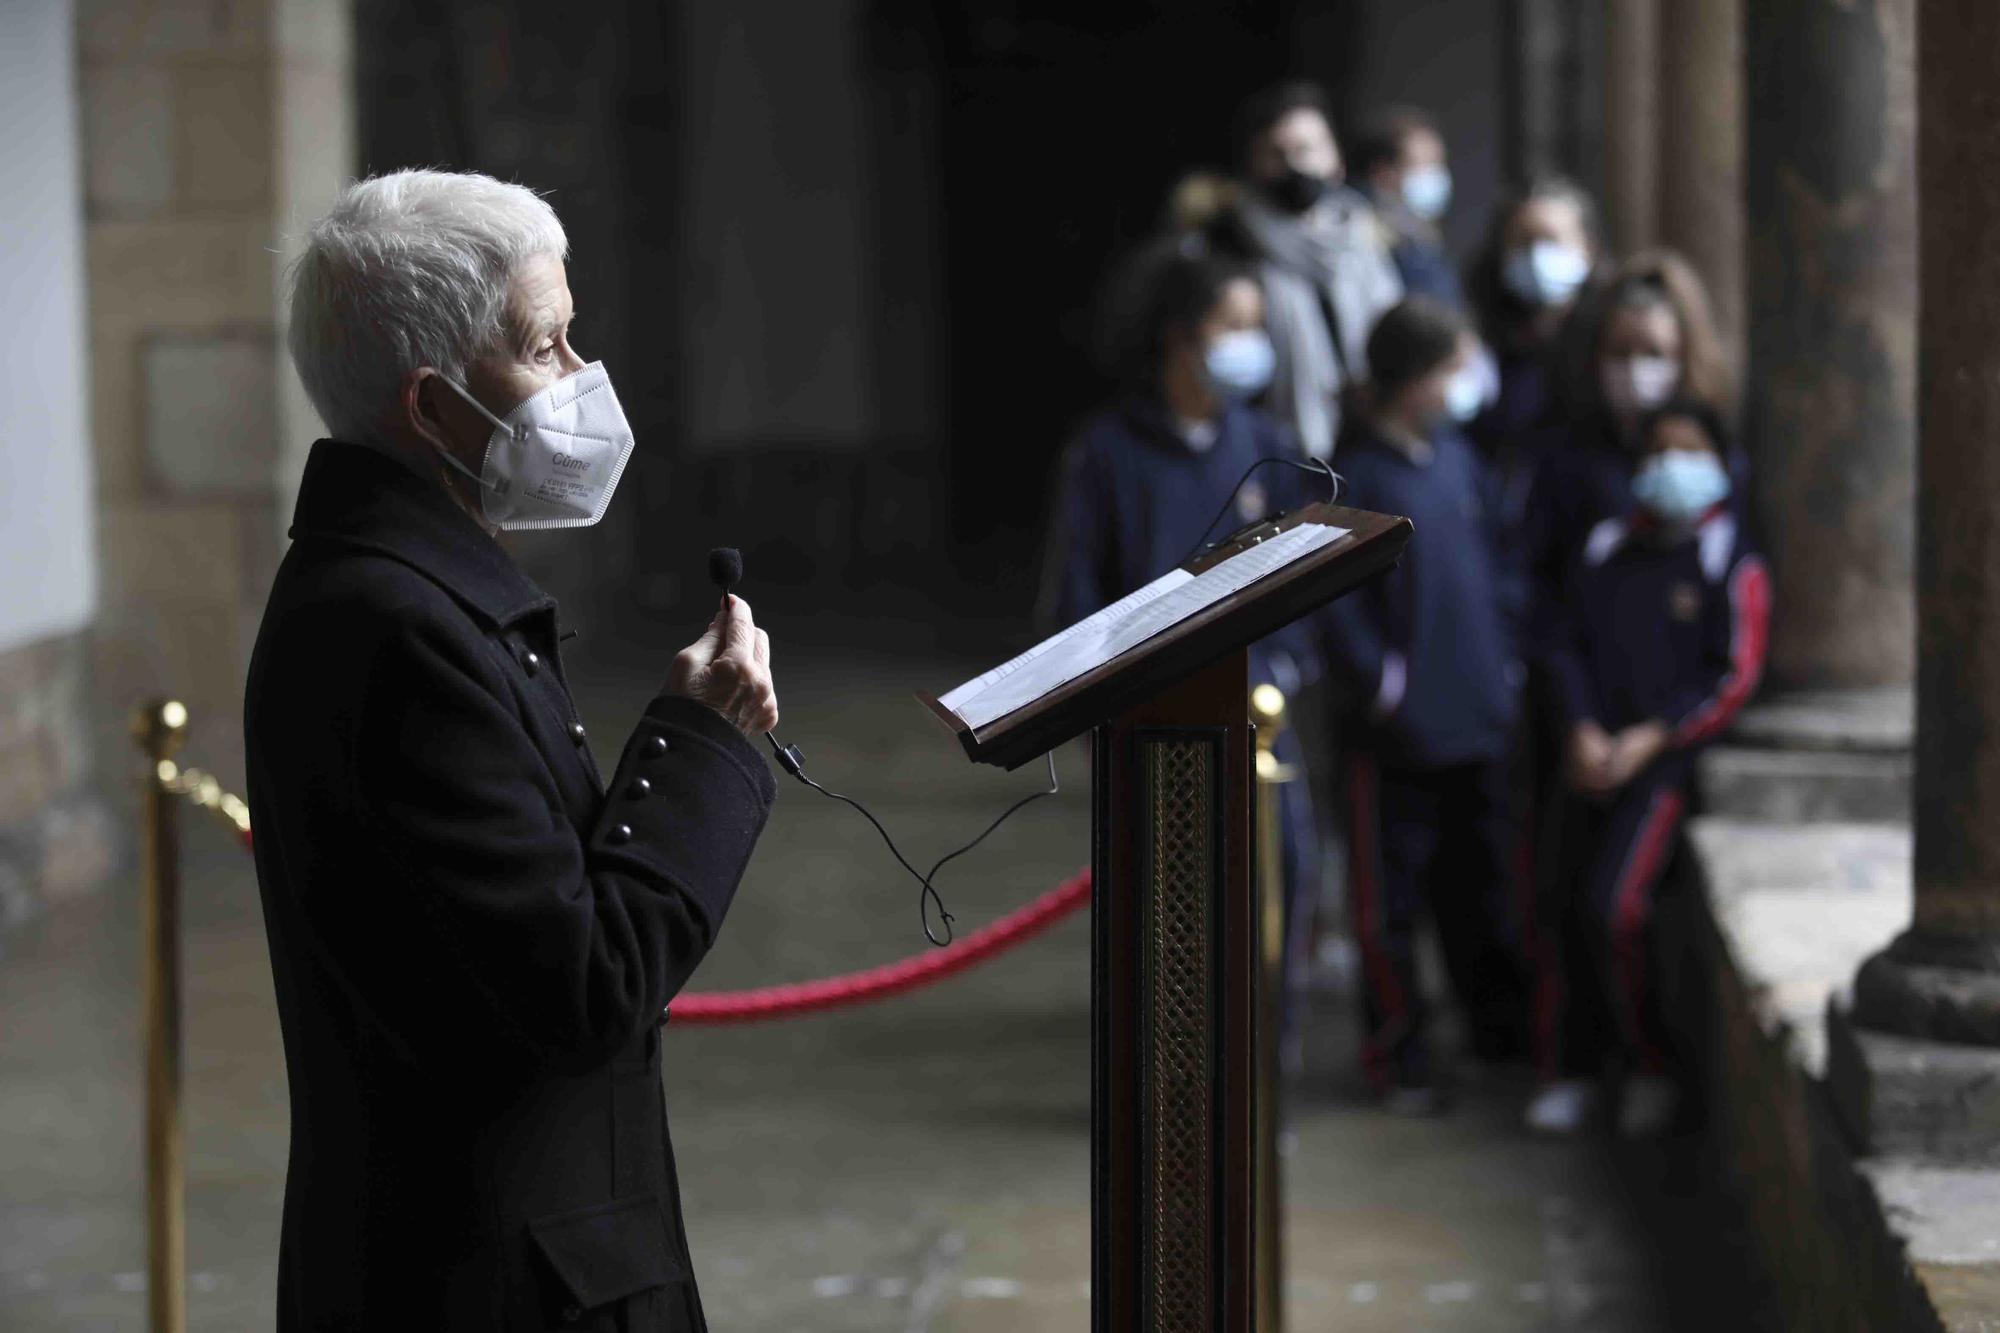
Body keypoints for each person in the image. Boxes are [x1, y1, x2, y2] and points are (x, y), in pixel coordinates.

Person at [245, 169, 781, 1331]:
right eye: (545, 346)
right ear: (432, 408)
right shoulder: (392, 627)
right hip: (492, 1284)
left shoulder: (405, 590)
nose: (583, 377)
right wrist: (702, 739)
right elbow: (583, 985)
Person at [1045, 242, 1324, 1045]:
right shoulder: (1104, 452)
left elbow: (1304, 580)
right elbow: (1075, 594)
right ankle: (1168, 1074)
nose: (1248, 343)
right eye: (1230, 324)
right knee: (1164, 901)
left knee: (1282, 870)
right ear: (1178, 335)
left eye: (1255, 326)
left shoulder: (1267, 443)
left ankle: (1265, 1067)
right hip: (1146, 713)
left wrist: (1286, 665)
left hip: (1256, 708)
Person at [1526, 399, 1770, 1137]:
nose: (1670, 465)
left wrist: (1651, 738)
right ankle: (1571, 1068)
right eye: (1657, 449)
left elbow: (1731, 676)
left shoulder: (1730, 558)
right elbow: (1562, 641)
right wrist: (1581, 728)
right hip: (1587, 754)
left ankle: (1647, 1063)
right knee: (1559, 904)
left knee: (1618, 908)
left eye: (1688, 449)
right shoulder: (1607, 545)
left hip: (1659, 770)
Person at [1318, 297, 1529, 1111]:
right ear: (1413, 382)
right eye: (1454, 368)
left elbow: (1497, 569)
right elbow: (1337, 608)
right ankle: (1398, 1053)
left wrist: (1502, 665)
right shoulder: (1357, 479)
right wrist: (1383, 686)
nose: (1468, 384)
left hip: (1476, 719)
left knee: (1480, 891)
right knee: (1390, 903)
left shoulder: (1458, 460)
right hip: (1396, 737)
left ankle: (1493, 1036)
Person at [1523, 249, 1736, 640]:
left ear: (1683, 355)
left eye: (1654, 353)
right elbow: (1540, 582)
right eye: (1621, 353)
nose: (1636, 370)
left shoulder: (1713, 454)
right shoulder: (1568, 456)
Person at [1214, 80, 1404, 460]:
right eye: (1276, 154)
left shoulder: (1370, 238)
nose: (1295, 166)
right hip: (1274, 455)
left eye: (1306, 149)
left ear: (1336, 157)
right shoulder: (1229, 248)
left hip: (1370, 444)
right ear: (1253, 165)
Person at [1350, 105, 1464, 310]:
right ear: (1382, 173)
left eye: (1438, 163)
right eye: (1421, 164)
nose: (1434, 174)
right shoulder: (1364, 240)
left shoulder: (1421, 237)